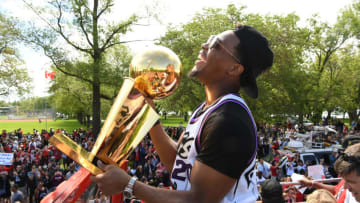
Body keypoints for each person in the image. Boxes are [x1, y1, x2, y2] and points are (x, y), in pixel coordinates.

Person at [91, 24, 274, 202]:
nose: (204, 45)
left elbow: (199, 200)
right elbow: (177, 163)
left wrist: (129, 185)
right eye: (209, 40)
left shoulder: (229, 121)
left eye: (215, 45)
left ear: (234, 68)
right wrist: (151, 116)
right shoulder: (208, 109)